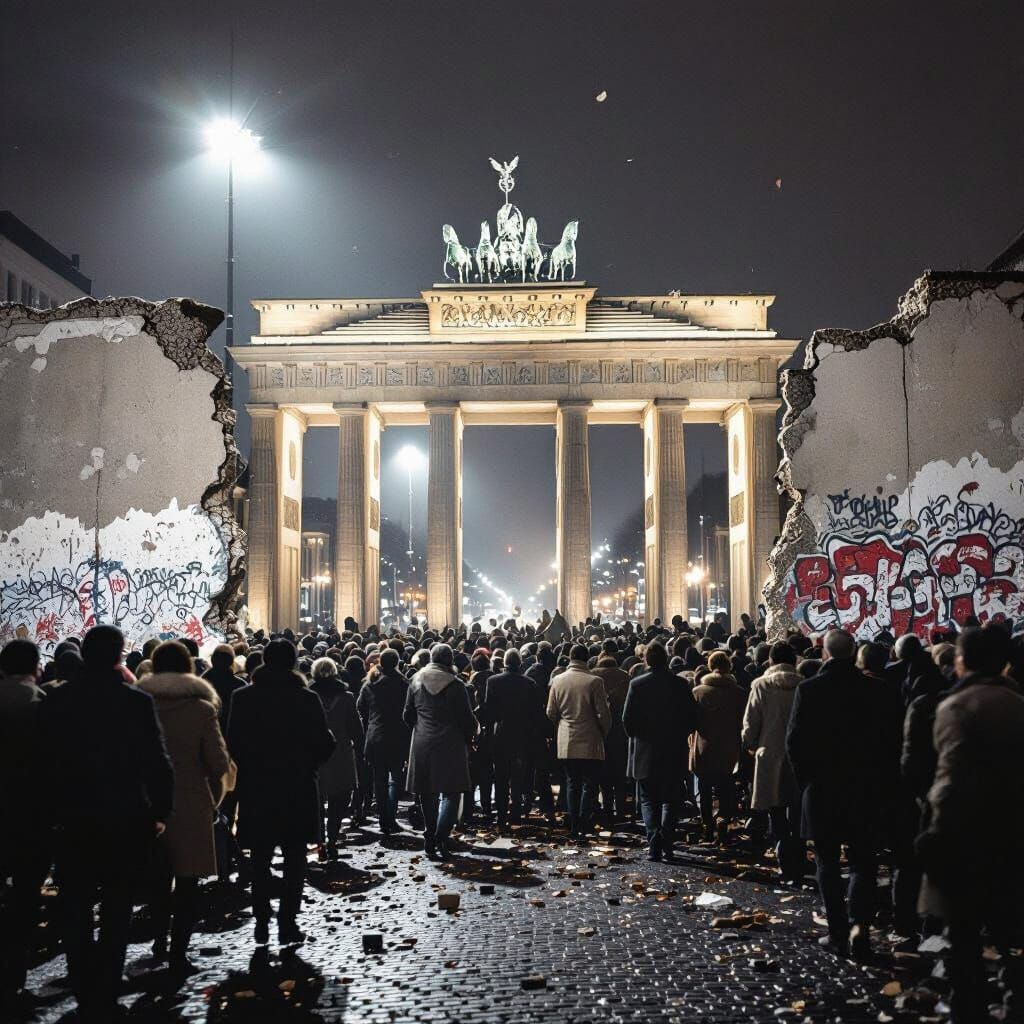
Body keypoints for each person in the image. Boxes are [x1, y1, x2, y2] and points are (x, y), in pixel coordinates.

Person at [39, 625, 173, 1021]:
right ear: (118, 656)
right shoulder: (134, 702)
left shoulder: (57, 700)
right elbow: (156, 761)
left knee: (75, 903)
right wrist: (160, 812)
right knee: (117, 904)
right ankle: (109, 981)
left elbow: (40, 763)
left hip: (72, 817)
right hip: (124, 817)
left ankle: (82, 981)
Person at [917, 627, 1024, 1023]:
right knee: (1008, 923)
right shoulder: (1018, 703)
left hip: (966, 831)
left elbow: (950, 778)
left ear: (962, 662)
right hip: (1013, 828)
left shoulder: (957, 707)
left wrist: (934, 830)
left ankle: (968, 1003)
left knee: (962, 930)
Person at [786, 628, 886, 960]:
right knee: (863, 861)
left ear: (824, 653)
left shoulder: (809, 689)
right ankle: (861, 928)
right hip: (865, 786)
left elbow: (794, 742)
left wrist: (807, 783)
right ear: (854, 651)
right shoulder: (875, 689)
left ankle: (838, 929)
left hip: (823, 786)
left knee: (827, 862)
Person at [227, 638, 335, 946]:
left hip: (257, 788)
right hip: (297, 786)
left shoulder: (243, 697)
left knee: (259, 857)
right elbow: (325, 743)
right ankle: (288, 921)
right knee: (294, 859)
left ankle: (261, 918)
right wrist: (309, 764)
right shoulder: (307, 698)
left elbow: (232, 741)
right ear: (293, 662)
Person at [137, 640, 232, 974]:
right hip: (191, 802)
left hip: (146, 803)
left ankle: (158, 939)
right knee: (188, 882)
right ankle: (179, 951)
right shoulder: (201, 709)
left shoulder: (138, 704)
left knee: (156, 877)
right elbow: (219, 763)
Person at [0, 639, 50, 1010]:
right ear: (35, 667)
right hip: (32, 814)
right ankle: (14, 975)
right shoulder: (41, 704)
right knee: (25, 898)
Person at [622, 642, 697, 860]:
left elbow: (627, 719)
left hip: (646, 748)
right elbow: (692, 717)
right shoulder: (681, 684)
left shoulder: (637, 684)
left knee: (648, 799)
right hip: (673, 749)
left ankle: (653, 838)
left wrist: (637, 736)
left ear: (646, 660)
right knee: (671, 800)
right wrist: (681, 734)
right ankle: (667, 842)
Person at [404, 643, 477, 859]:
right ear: (449, 660)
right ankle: (442, 837)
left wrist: (420, 728)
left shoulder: (416, 681)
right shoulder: (456, 685)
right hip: (450, 743)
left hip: (423, 742)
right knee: (452, 793)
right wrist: (472, 736)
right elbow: (467, 719)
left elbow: (407, 714)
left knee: (427, 791)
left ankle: (429, 834)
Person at [741, 642, 803, 880]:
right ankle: (797, 852)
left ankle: (784, 852)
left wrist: (750, 744)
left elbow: (751, 721)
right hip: (798, 755)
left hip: (769, 753)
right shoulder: (803, 685)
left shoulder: (760, 685)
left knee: (775, 808)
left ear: (771, 661)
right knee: (795, 807)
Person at [546, 643, 612, 838]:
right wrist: (603, 733)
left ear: (570, 658)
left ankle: (574, 824)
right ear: (586, 658)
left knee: (572, 783)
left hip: (567, 739)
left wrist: (561, 726)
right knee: (590, 784)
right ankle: (584, 821)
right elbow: (603, 714)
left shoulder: (558, 680)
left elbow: (550, 712)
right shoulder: (594, 681)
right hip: (590, 738)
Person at [309, 656, 364, 858]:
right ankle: (332, 836)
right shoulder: (347, 698)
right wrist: (359, 748)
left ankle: (321, 838)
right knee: (339, 797)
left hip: (314, 753)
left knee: (317, 798)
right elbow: (356, 729)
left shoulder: (309, 696)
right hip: (340, 752)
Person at [482, 648, 542, 831]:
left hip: (501, 733)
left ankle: (501, 814)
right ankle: (516, 811)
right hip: (523, 734)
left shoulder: (493, 681)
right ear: (520, 663)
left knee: (500, 776)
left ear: (505, 663)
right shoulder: (529, 683)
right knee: (519, 775)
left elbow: (488, 711)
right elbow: (535, 712)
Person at [690, 650, 746, 844]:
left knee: (704, 789)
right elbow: (743, 722)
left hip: (703, 747)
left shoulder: (698, 692)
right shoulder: (738, 692)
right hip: (729, 748)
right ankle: (723, 820)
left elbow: (691, 722)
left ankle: (707, 825)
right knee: (726, 788)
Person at [356, 648, 410, 834]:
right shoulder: (403, 683)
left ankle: (383, 819)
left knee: (379, 780)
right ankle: (390, 817)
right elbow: (410, 711)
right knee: (395, 779)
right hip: (397, 736)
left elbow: (360, 707)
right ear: (396, 662)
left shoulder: (371, 683)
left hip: (376, 736)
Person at [592, 652, 631, 822]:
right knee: (620, 774)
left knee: (602, 774)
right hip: (621, 731)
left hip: (599, 731)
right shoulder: (626, 677)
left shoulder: (593, 676)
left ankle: (607, 809)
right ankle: (621, 809)